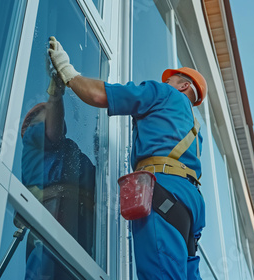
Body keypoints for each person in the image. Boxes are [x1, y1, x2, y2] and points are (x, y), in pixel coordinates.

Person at [48, 36, 207, 279]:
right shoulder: (194, 130)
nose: (165, 81)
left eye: (171, 79)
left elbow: (98, 95)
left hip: (163, 190)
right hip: (190, 206)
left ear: (183, 86)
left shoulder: (163, 93)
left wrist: (68, 72)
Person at [20, 72, 96, 279]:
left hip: (80, 219)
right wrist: (55, 97)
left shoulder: (70, 151)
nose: (56, 115)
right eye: (46, 112)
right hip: (55, 212)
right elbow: (52, 130)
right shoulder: (34, 137)